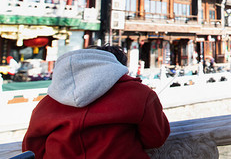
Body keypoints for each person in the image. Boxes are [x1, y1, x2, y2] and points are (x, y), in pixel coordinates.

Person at [22, 45, 170, 159]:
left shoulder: (48, 103)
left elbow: (32, 147)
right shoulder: (140, 94)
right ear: (118, 67)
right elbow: (156, 138)